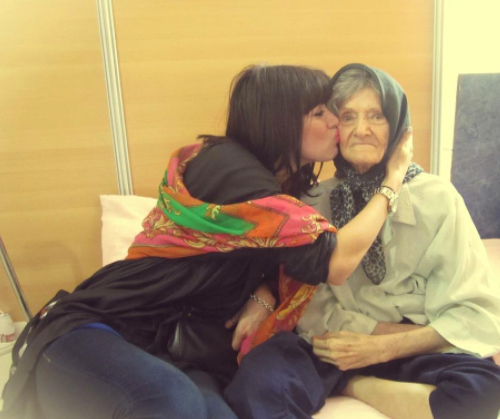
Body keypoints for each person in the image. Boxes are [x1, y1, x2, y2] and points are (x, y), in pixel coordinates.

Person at [0, 64, 413, 419]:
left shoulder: (276, 196)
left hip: (171, 350)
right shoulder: (231, 170)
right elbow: (335, 263)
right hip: (99, 329)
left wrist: (264, 293)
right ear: (281, 118)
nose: (335, 124)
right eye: (321, 112)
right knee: (172, 402)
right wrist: (393, 180)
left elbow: (272, 259)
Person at [225, 64, 500, 419]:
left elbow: (478, 313)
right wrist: (352, 347)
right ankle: (350, 379)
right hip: (330, 346)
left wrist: (381, 348)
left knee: (492, 390)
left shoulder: (437, 198)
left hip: (411, 346)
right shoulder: (312, 201)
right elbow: (309, 307)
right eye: (348, 116)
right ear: (335, 128)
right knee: (259, 376)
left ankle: (354, 384)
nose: (361, 130)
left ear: (398, 128)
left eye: (376, 116)